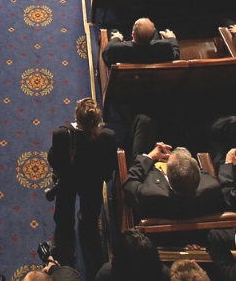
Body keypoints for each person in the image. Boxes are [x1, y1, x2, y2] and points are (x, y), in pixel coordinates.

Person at [48, 98, 117, 280]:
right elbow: (111, 165)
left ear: (76, 117)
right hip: (92, 183)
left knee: (64, 218)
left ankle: (65, 257)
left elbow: (53, 161)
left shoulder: (61, 134)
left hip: (68, 182)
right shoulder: (108, 137)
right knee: (90, 221)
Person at [103, 18, 179, 65]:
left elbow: (106, 55)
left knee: (113, 31)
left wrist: (116, 38)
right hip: (152, 68)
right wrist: (171, 38)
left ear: (133, 34)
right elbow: (176, 56)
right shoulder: (165, 47)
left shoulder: (117, 48)